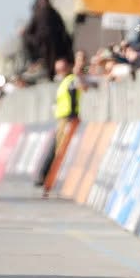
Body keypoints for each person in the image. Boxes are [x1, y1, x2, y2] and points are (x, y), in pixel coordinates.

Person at [37, 53, 83, 196]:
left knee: (59, 150)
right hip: (62, 119)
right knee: (55, 148)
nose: (59, 72)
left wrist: (72, 117)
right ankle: (46, 177)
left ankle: (50, 179)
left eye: (62, 69)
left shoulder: (71, 80)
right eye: (58, 70)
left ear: (68, 67)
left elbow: (74, 98)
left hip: (69, 118)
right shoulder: (63, 82)